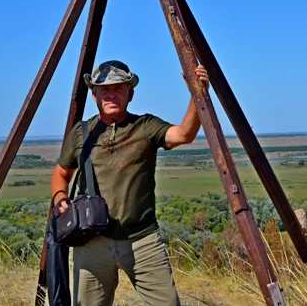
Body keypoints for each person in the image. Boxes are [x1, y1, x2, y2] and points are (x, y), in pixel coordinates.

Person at [50, 60, 209, 306]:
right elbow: (61, 172)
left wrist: (196, 93)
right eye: (105, 89)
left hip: (142, 240)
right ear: (94, 95)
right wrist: (60, 198)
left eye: (118, 88)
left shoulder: (145, 126)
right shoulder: (81, 133)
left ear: (130, 93)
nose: (111, 94)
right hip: (92, 242)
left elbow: (184, 134)